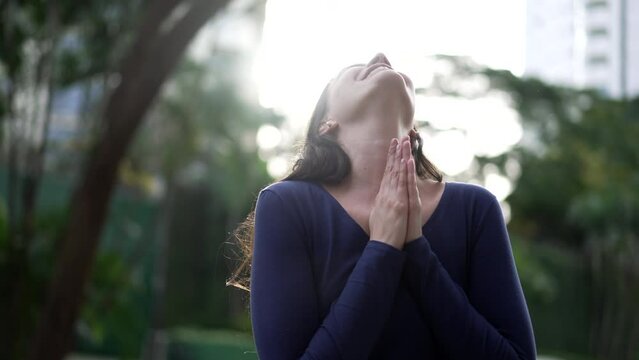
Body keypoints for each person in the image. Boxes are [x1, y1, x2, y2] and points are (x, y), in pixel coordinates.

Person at [228, 53, 537, 359]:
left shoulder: (475, 209)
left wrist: (416, 249)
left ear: (413, 127)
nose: (381, 57)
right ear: (326, 123)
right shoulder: (285, 206)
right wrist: (383, 248)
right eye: (353, 68)